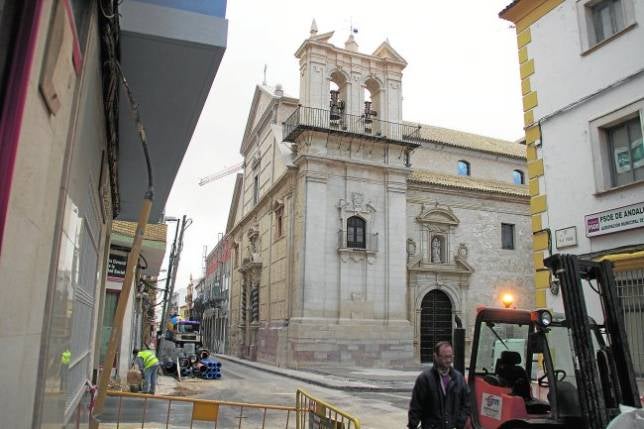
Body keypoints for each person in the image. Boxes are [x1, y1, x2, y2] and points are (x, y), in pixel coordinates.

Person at [408, 341, 471, 429]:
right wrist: (412, 425)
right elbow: (416, 406)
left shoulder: (459, 378)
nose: (448, 360)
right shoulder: (424, 379)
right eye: (445, 357)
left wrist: (460, 423)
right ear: (436, 356)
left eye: (450, 356)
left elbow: (466, 403)